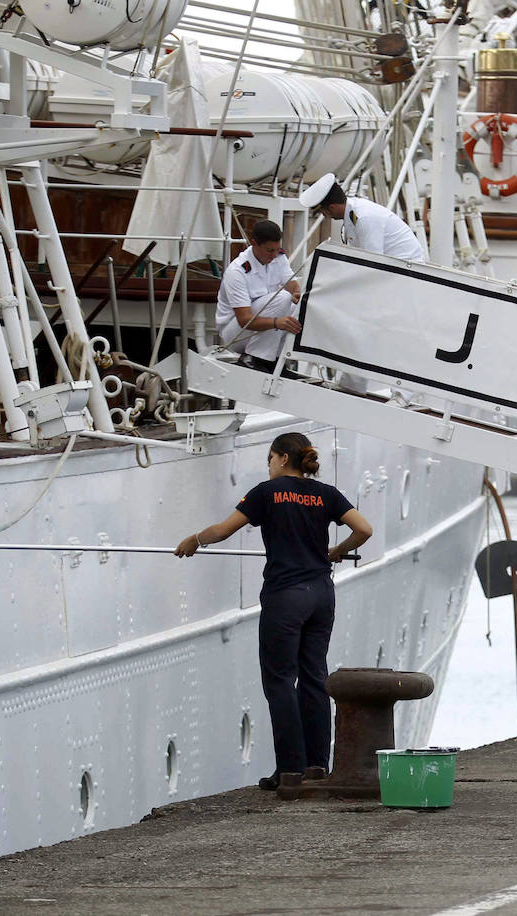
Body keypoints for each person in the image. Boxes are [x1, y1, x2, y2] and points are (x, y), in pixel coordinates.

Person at [174, 432, 373, 791]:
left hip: (286, 597)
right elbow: (364, 529)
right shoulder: (326, 493)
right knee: (315, 679)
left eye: (269, 459)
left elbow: (222, 530)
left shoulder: (268, 492)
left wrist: (194, 540)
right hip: (321, 595)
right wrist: (338, 551)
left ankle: (289, 771)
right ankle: (316, 768)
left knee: (281, 682)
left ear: (282, 458)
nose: (268, 466)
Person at [216, 220, 303, 372]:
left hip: (258, 329)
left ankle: (276, 360)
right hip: (235, 334)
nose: (275, 255)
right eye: (270, 250)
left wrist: (297, 293)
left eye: (277, 249)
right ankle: (256, 359)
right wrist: (276, 322)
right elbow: (243, 320)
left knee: (295, 303)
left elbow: (291, 284)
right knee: (282, 298)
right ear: (254, 243)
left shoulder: (278, 258)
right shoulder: (238, 272)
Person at [298, 172, 428, 263]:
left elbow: (372, 262)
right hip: (396, 270)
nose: (325, 216)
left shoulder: (364, 217)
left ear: (331, 207)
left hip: (407, 272)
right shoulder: (353, 216)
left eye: (323, 212)